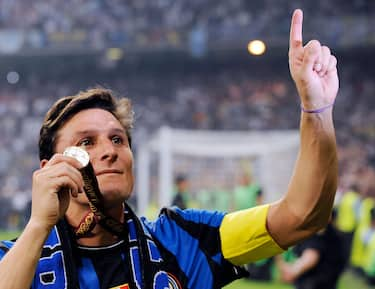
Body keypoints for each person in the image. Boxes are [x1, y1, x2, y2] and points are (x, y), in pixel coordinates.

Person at [0, 9, 339, 289]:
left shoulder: (182, 239)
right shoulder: (16, 257)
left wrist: (318, 110)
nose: (109, 150)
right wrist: (37, 227)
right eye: (86, 142)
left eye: (118, 139)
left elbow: (302, 217)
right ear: (50, 168)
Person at [277, 212, 346, 289]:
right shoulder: (334, 234)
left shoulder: (316, 232)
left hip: (314, 283)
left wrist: (293, 271)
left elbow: (311, 256)